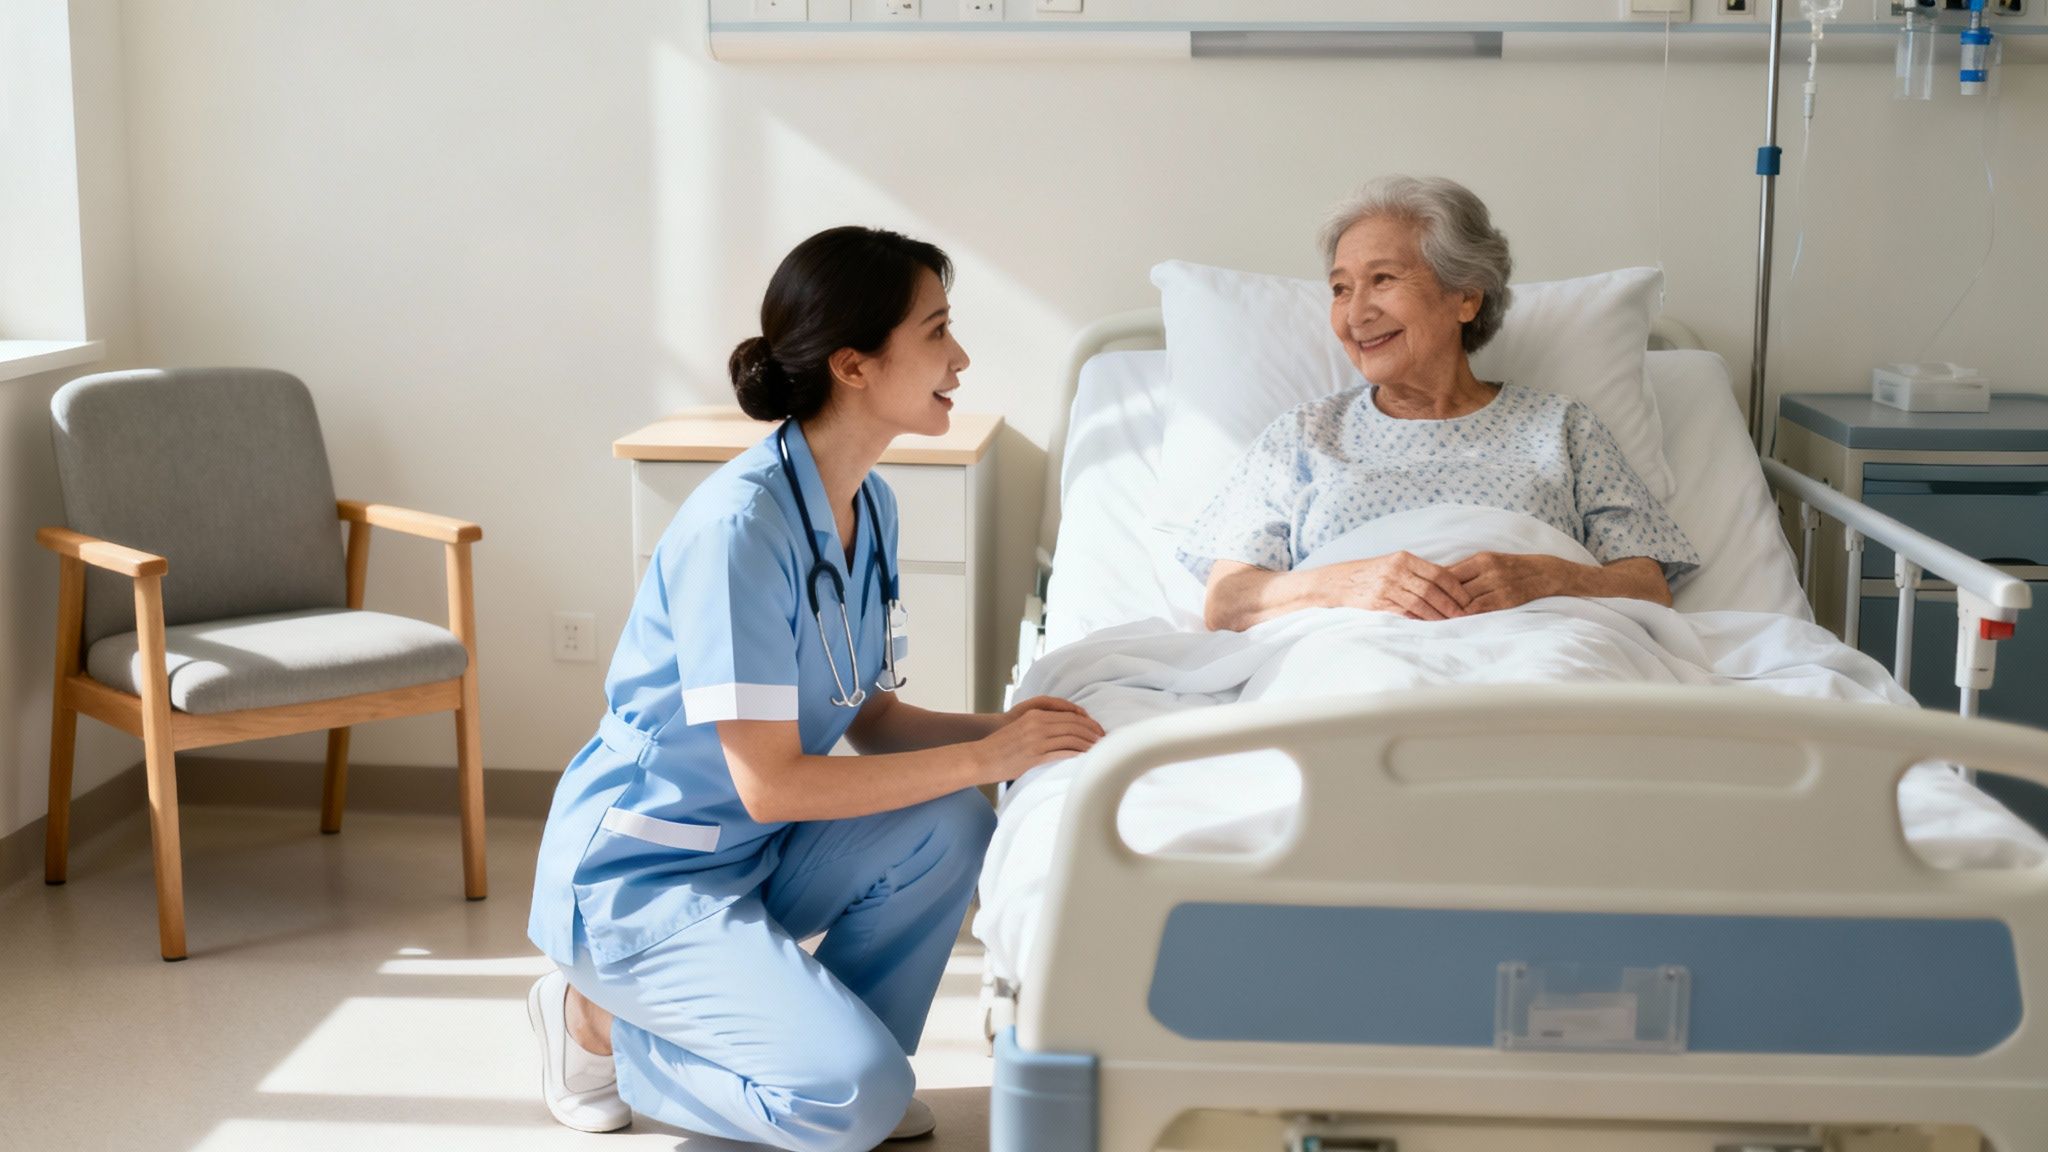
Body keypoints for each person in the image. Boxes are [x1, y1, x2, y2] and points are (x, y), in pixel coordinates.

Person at [526, 225, 1103, 1150]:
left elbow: (871, 718)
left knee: (955, 819)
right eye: (937, 332)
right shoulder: (737, 530)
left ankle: (849, 1060)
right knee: (848, 1105)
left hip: (754, 853)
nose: (960, 357)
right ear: (855, 365)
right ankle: (592, 1023)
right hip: (645, 874)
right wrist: (987, 754)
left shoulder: (868, 503)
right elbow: (774, 783)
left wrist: (1016, 732)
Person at [1181, 175, 1699, 632]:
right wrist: (1349, 584)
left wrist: (1552, 577)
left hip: (1538, 658)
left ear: (1466, 298)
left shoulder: (1560, 426)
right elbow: (1227, 602)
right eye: (1341, 289)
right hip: (1353, 664)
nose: (1356, 313)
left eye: (1383, 279)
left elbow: (1649, 587)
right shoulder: (1305, 435)